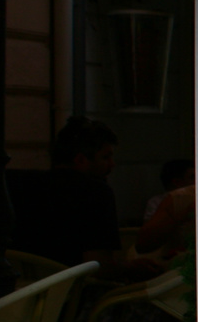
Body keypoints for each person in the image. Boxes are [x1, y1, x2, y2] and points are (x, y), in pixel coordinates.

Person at [9, 116, 161, 280]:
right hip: (71, 292)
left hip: (19, 292)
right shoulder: (95, 193)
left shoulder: (17, 183)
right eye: (105, 157)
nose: (112, 164)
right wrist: (130, 268)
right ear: (81, 159)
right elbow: (99, 267)